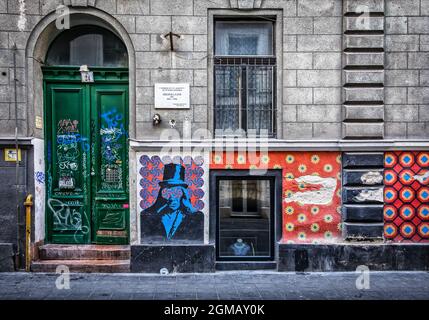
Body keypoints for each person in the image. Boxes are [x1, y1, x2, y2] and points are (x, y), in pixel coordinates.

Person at [141, 163, 204, 241]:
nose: (172, 198)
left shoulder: (196, 217)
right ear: (161, 193)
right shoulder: (147, 215)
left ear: (183, 195)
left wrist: (190, 209)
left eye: (177, 192)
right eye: (168, 193)